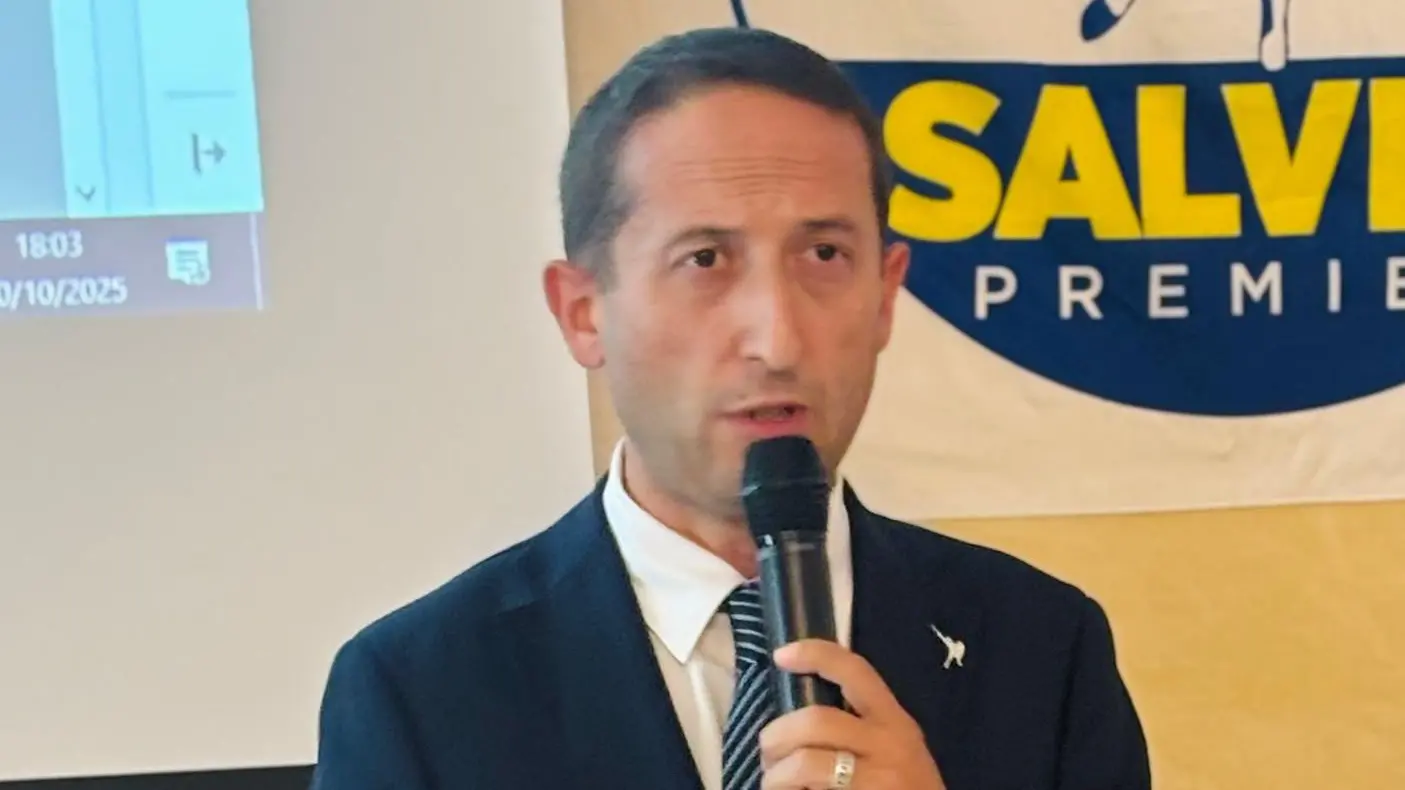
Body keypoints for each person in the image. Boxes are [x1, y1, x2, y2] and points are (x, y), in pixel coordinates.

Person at [310, 26, 1151, 790]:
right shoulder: (420, 688)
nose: (776, 339)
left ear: (886, 294)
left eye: (824, 254)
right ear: (583, 313)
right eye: (705, 259)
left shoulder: (1042, 647)